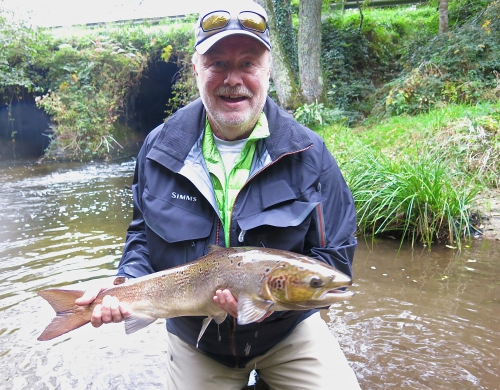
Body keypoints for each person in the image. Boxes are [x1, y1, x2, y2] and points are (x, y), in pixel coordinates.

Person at [76, 1, 361, 389]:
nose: (233, 79)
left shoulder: (309, 153)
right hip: (198, 341)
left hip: (287, 333)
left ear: (268, 70)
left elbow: (334, 257)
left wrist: (266, 303)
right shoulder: (159, 149)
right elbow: (142, 237)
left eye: (247, 63)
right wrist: (124, 284)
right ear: (196, 69)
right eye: (218, 65)